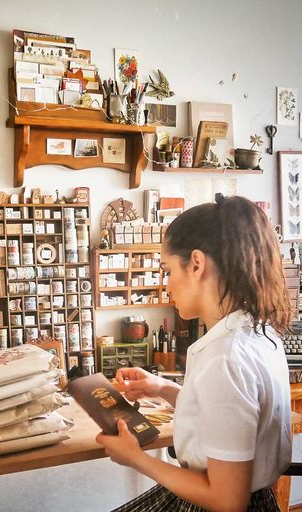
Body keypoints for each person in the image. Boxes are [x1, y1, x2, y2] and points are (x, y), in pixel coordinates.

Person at [96, 194, 292, 512]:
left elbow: (227, 501)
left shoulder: (225, 358)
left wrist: (135, 458)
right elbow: (226, 414)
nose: (167, 286)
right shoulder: (258, 333)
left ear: (197, 264)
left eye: (168, 270)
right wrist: (164, 389)